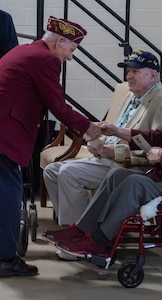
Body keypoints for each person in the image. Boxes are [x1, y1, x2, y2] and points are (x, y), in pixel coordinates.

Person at [43, 64, 162, 258]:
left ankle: (99, 241)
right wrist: (117, 131)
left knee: (134, 183)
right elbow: (157, 136)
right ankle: (82, 229)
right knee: (117, 175)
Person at [0, 16, 101, 278]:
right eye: (72, 49)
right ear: (59, 42)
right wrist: (89, 127)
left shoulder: (26, 50)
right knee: (8, 196)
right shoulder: (45, 59)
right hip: (5, 133)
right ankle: (5, 259)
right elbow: (58, 106)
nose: (71, 56)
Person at [43, 49, 162, 227]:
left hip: (129, 166)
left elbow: (156, 152)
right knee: (51, 171)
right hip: (107, 159)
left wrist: (116, 152)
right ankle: (77, 225)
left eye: (135, 72)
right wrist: (97, 143)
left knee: (68, 174)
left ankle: (82, 232)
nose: (128, 76)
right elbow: (115, 131)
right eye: (128, 71)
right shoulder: (130, 95)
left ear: (153, 76)